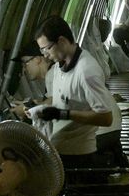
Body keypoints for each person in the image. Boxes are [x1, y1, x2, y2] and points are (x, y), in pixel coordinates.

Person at [34, 16, 114, 178]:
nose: (45, 55)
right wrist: (40, 106)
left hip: (79, 156)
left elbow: (106, 117)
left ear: (62, 41)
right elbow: (64, 98)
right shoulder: (59, 66)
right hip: (59, 150)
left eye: (47, 48)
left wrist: (64, 114)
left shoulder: (86, 71)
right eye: (42, 50)